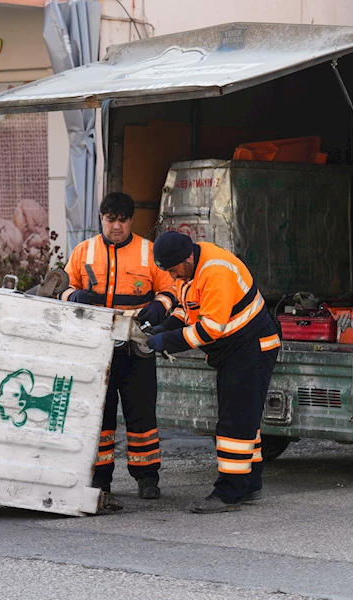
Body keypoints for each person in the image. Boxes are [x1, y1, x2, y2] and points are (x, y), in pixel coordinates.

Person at [146, 231, 281, 514]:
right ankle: (249, 485)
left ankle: (229, 493)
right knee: (245, 421)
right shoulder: (192, 270)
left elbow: (210, 329)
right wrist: (167, 326)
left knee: (235, 424)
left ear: (187, 258)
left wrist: (166, 341)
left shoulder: (215, 271)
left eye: (173, 270)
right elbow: (190, 309)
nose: (172, 277)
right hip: (239, 349)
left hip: (250, 349)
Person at [60, 192, 176, 511]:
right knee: (100, 414)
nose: (116, 227)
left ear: (131, 220)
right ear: (101, 218)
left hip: (137, 343)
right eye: (111, 220)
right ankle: (100, 479)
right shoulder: (83, 252)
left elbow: (171, 290)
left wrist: (158, 306)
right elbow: (62, 288)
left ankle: (147, 477)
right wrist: (76, 297)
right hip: (96, 348)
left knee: (141, 412)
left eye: (123, 220)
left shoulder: (148, 252)